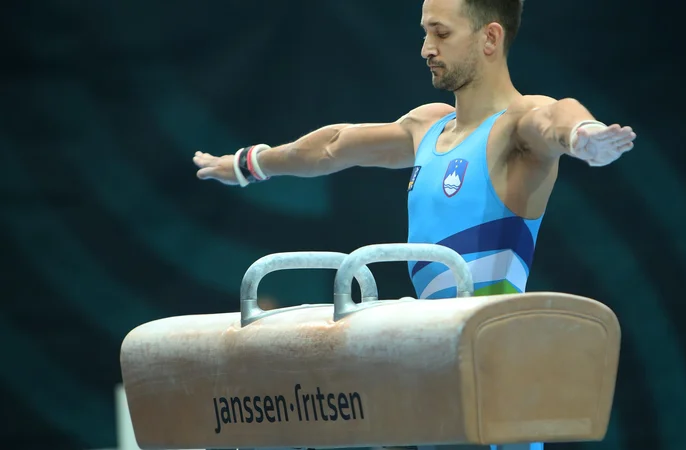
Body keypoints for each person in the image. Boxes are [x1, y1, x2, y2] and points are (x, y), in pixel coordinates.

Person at [194, 0, 634, 447]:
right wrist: (250, 164)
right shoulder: (427, 127)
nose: (426, 47)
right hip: (432, 369)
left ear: (490, 38)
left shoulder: (516, 127)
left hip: (489, 374)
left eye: (441, 33)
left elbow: (556, 115)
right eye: (424, 32)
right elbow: (333, 145)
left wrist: (582, 133)